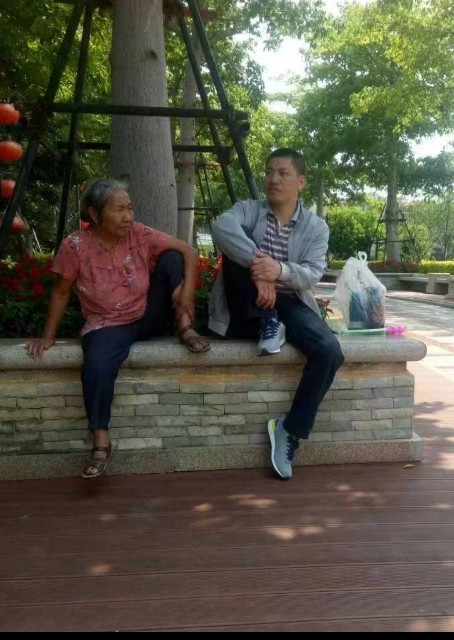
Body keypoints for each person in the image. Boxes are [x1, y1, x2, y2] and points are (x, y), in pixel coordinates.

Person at [26, 179, 210, 479]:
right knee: (96, 366)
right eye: (119, 210)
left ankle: (185, 328)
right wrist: (48, 336)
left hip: (147, 313)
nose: (128, 216)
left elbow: (188, 251)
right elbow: (60, 292)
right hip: (107, 323)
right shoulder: (75, 245)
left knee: (172, 257)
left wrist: (186, 295)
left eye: (130, 208)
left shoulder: (139, 233)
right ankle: (101, 441)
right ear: (94, 214)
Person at [209, 148, 344, 480]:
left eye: (283, 173)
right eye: (269, 171)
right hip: (246, 300)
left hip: (291, 302)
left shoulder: (316, 227)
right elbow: (221, 227)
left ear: (301, 182)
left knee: (329, 351)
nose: (273, 179)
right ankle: (267, 322)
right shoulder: (249, 210)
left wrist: (278, 271)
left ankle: (289, 429)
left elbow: (311, 274)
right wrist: (259, 269)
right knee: (237, 244)